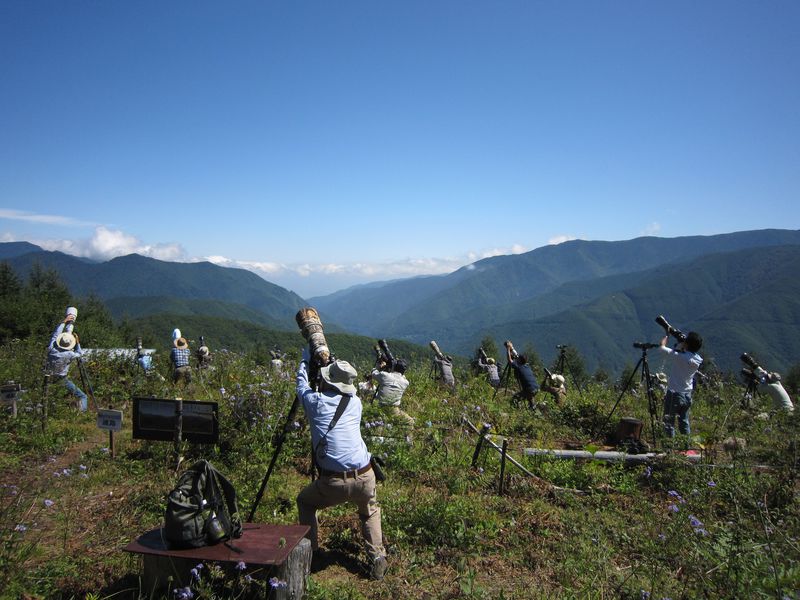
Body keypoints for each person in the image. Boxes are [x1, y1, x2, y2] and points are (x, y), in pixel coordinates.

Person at [295, 349, 388, 580]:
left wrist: (305, 362)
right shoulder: (355, 403)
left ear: (327, 380)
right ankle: (377, 558)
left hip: (333, 481)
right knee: (369, 512)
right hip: (366, 475)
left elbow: (301, 387)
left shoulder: (315, 402)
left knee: (305, 502)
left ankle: (312, 553)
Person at [658, 331, 703, 437]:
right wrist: (683, 344)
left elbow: (662, 348)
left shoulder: (680, 357)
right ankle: (686, 446)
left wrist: (666, 335)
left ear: (686, 344)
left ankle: (669, 447)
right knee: (684, 421)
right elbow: (685, 352)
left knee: (669, 421)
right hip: (687, 394)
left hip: (675, 393)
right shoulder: (697, 359)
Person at [45, 307, 87, 411]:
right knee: (82, 396)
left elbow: (55, 336)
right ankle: (81, 413)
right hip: (61, 379)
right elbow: (79, 353)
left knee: (47, 397)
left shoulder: (51, 349)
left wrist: (64, 322)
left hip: (48, 377)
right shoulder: (69, 354)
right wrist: (77, 342)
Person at [371, 359, 414, 426]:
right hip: (393, 409)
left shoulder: (384, 375)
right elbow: (401, 377)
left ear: (394, 367)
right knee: (411, 422)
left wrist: (380, 367)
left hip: (379, 407)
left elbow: (373, 373)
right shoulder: (405, 382)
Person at [505, 341, 539, 408]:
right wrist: (512, 349)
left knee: (515, 398)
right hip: (536, 388)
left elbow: (510, 360)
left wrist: (508, 349)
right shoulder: (527, 365)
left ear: (519, 361)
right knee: (530, 397)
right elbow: (520, 358)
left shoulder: (518, 367)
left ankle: (517, 411)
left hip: (529, 389)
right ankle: (533, 409)